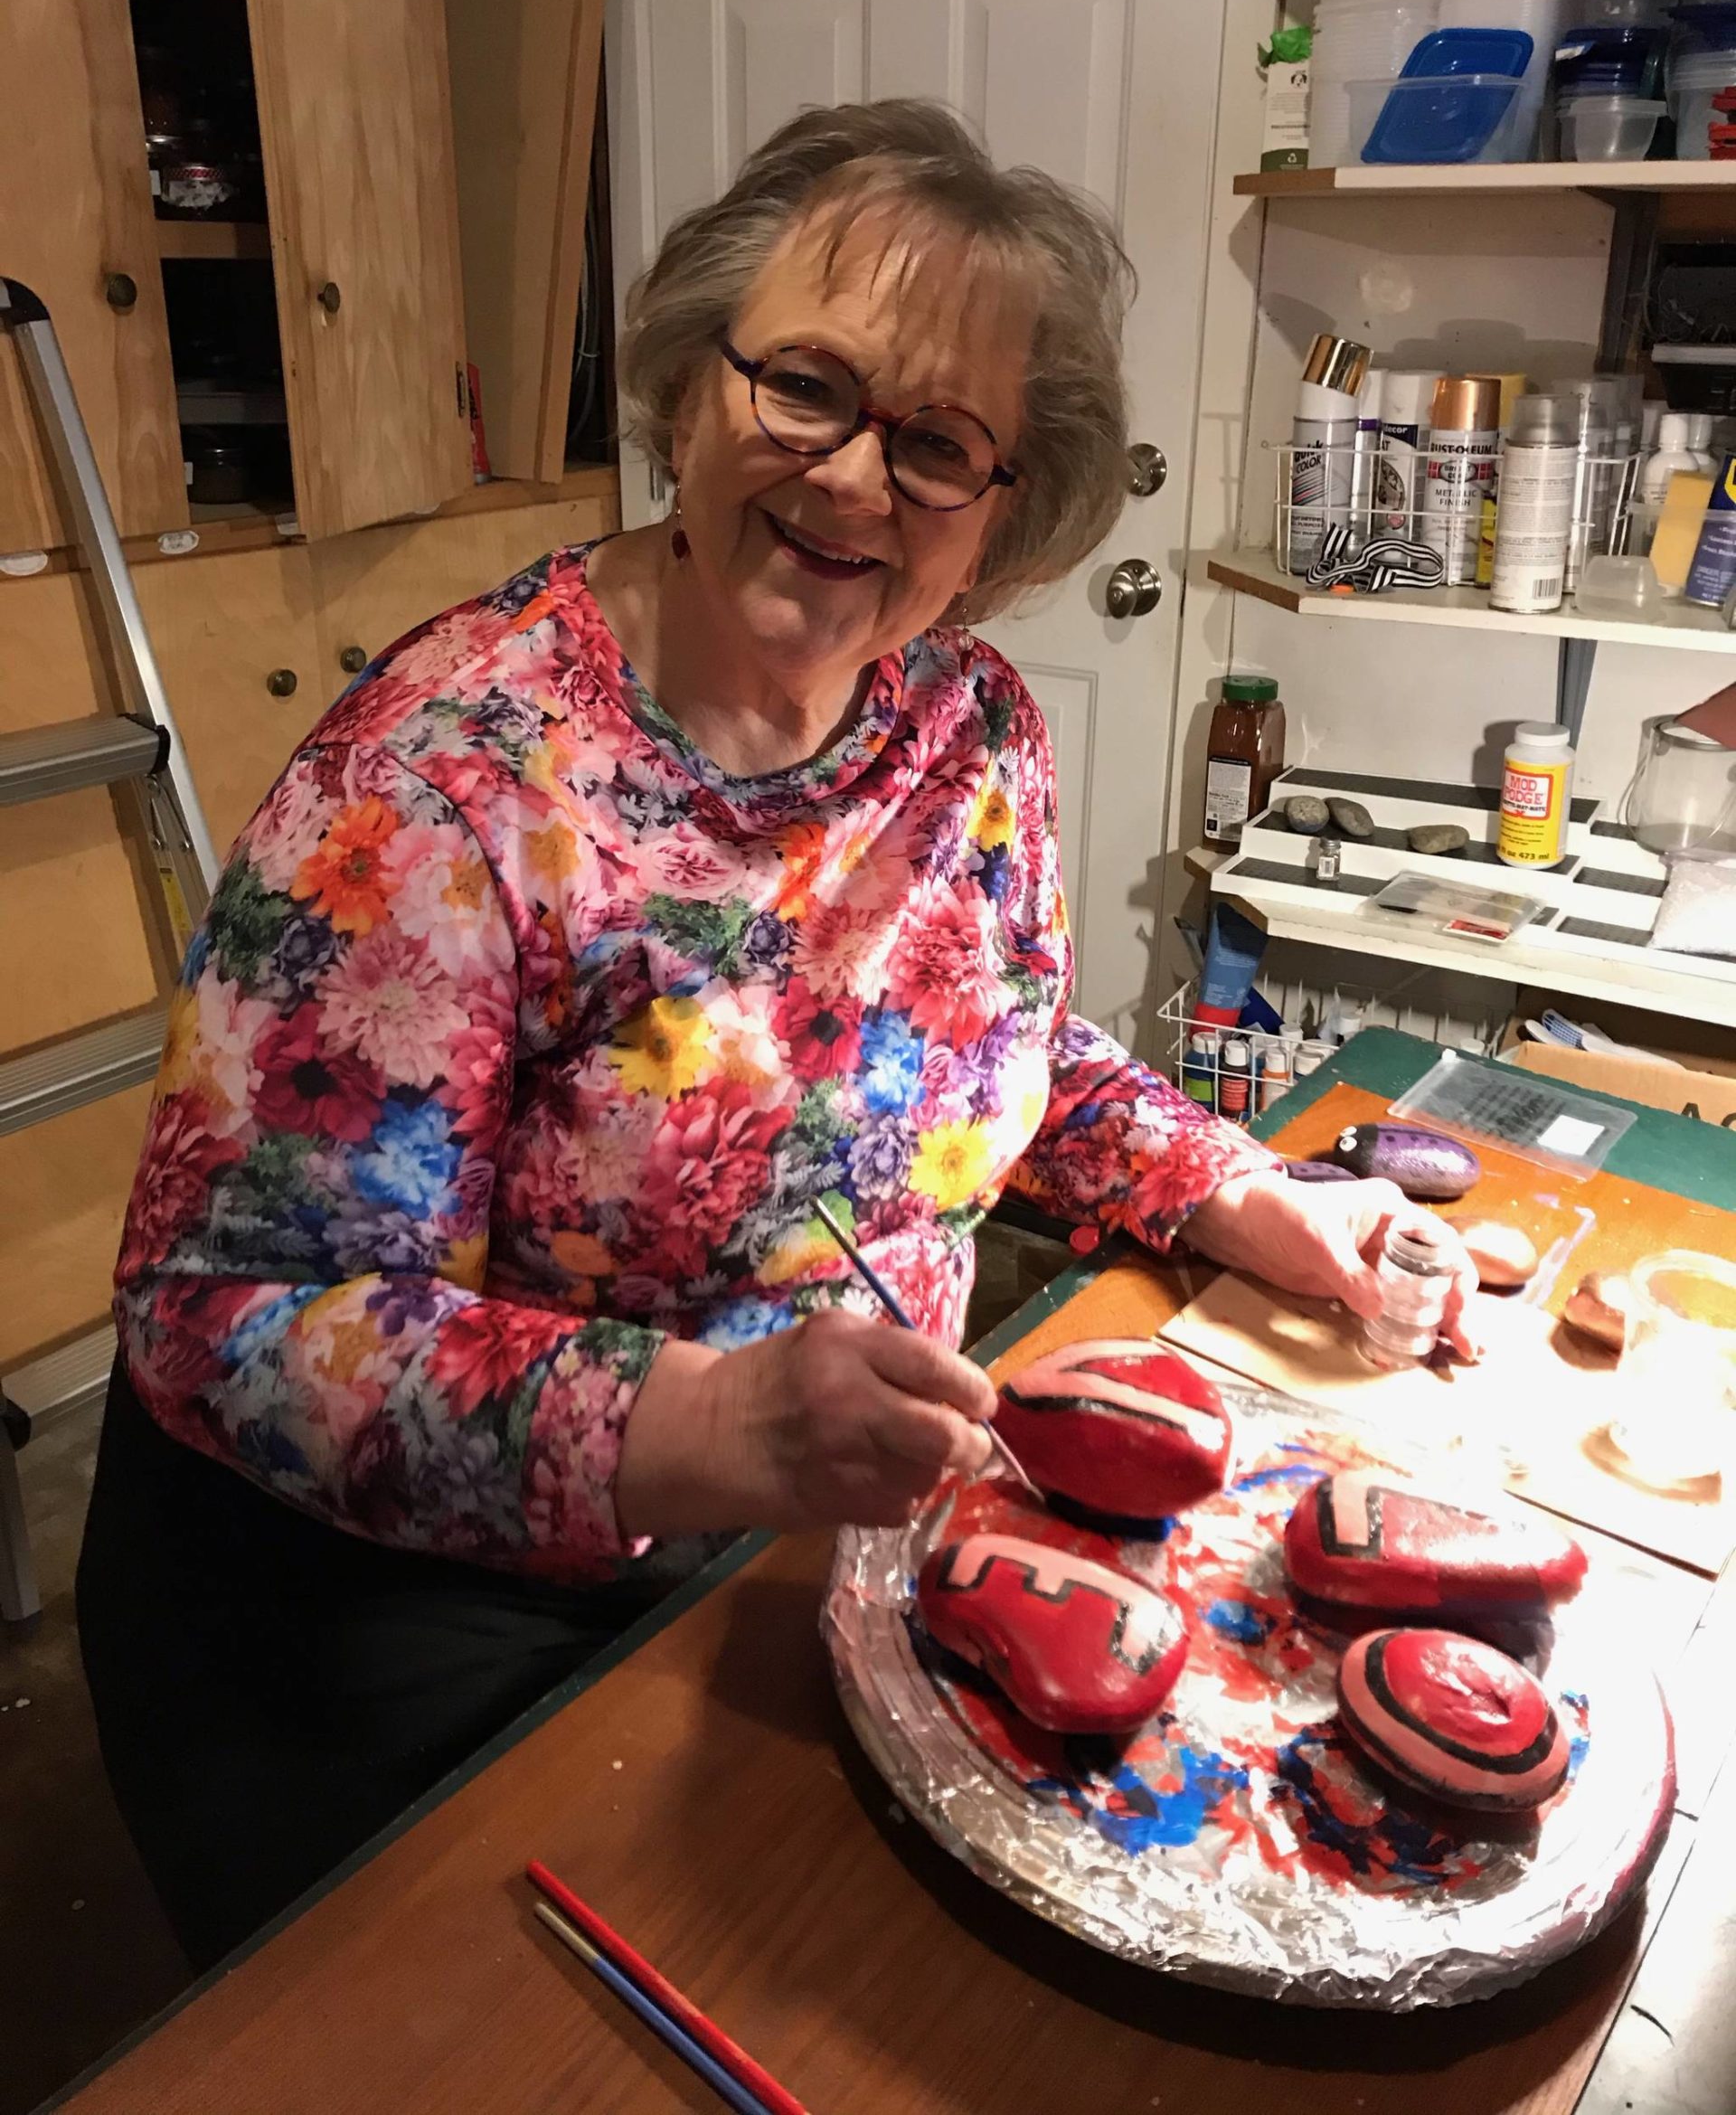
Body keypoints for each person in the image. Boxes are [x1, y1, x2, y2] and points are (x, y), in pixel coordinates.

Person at [77, 99, 1475, 1967]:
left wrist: (1241, 1196)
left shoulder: (969, 734)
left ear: (999, 516)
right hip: (397, 1609)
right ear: (690, 382)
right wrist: (705, 1422)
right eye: (806, 386)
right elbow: (220, 1310)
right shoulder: (452, 769)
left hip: (800, 1543)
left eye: (938, 442)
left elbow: (997, 1051)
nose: (852, 477)